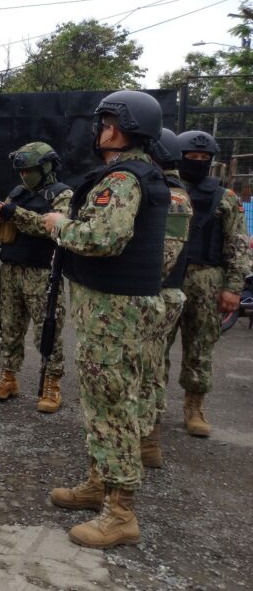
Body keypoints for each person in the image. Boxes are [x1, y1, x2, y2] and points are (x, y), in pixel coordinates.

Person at [44, 90, 169, 549]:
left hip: (113, 316)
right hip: (114, 311)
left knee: (113, 408)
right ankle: (99, 484)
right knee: (102, 404)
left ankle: (120, 514)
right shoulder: (140, 173)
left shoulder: (123, 178)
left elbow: (102, 238)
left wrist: (59, 224)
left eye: (104, 123)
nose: (99, 131)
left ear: (116, 127)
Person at [165, 130, 251, 437]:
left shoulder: (225, 197)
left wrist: (233, 287)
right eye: (192, 158)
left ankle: (194, 407)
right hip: (168, 275)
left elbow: (237, 243)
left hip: (208, 278)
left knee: (200, 347)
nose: (198, 162)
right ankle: (152, 406)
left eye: (204, 159)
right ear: (179, 157)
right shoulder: (166, 189)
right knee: (156, 345)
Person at [0, 142, 73, 412]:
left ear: (46, 167)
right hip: (11, 268)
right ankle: (8, 377)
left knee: (47, 330)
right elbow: (3, 227)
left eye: (30, 170)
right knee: (9, 326)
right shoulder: (17, 193)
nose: (24, 176)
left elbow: (52, 227)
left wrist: (15, 214)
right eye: (21, 171)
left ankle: (51, 383)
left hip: (42, 272)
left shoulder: (62, 195)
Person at [138, 128, 192, 468]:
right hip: (151, 292)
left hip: (158, 294)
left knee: (148, 369)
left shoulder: (172, 197)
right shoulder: (157, 189)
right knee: (148, 366)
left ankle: (147, 442)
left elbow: (163, 259)